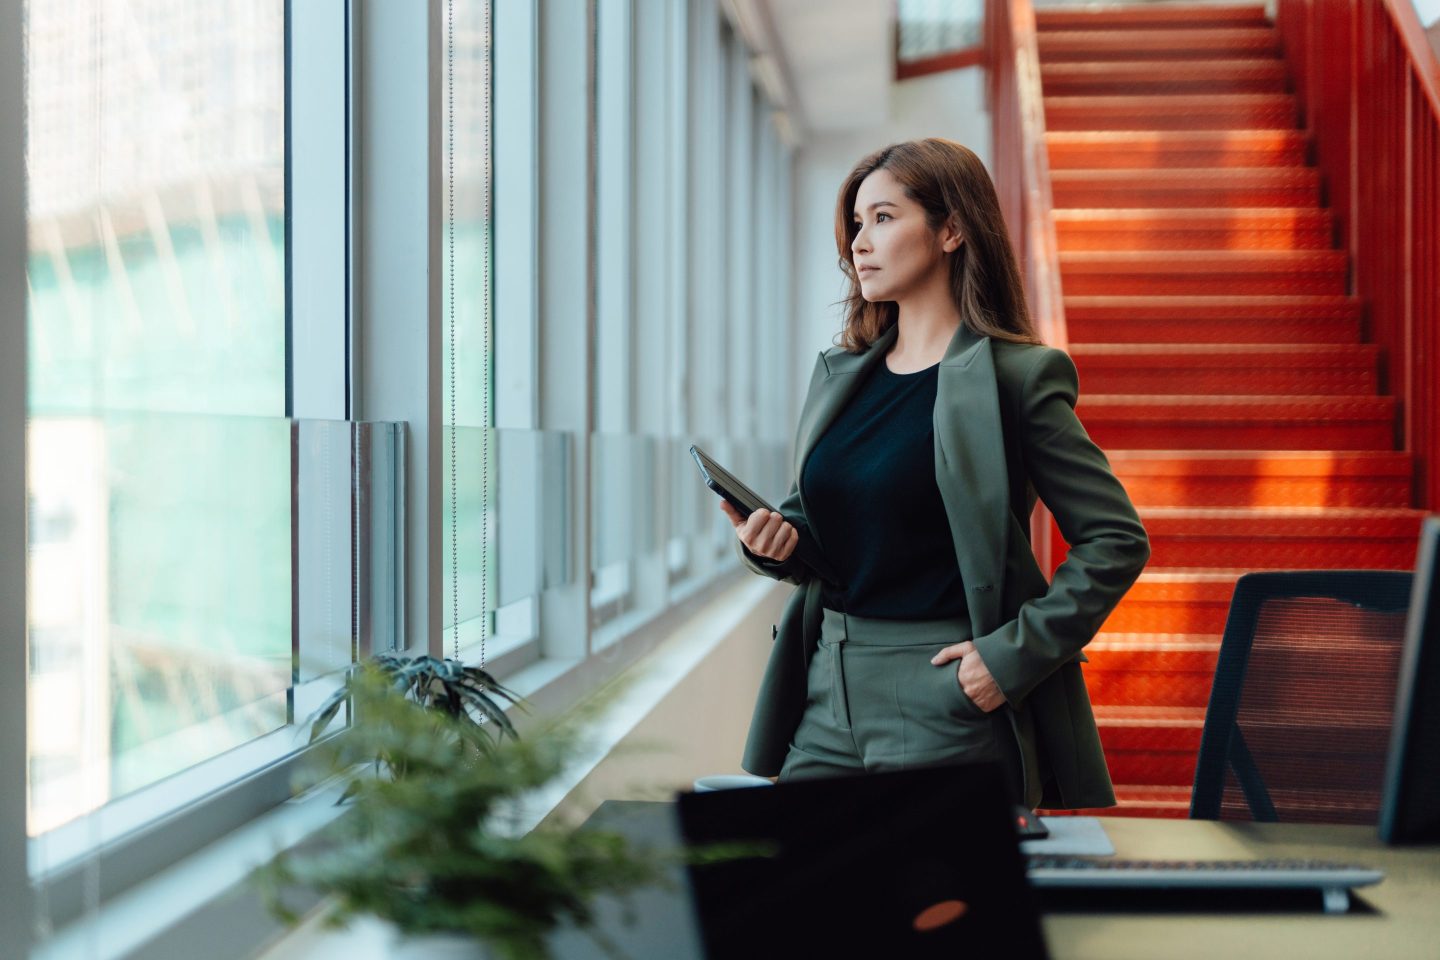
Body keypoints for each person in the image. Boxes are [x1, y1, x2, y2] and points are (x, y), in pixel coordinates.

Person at [720, 138, 1150, 810]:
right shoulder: (841, 377)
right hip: (825, 688)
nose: (860, 242)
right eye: (857, 224)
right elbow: (841, 524)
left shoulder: (1018, 378)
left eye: (884, 219)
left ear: (952, 229)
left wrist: (1010, 659)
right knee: (809, 905)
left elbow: (1116, 539)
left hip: (945, 693)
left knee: (941, 913)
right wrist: (777, 542)